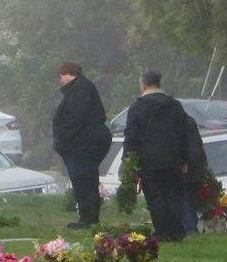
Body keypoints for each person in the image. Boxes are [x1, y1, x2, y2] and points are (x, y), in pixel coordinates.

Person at [124, 69, 194, 241]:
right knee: (174, 195)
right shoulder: (175, 106)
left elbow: (131, 137)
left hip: (149, 160)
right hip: (174, 159)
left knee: (155, 196)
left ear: (144, 84)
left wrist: (129, 160)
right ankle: (176, 230)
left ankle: (162, 231)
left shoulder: (137, 108)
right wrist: (185, 159)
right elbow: (184, 133)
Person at [51, 61, 112, 229]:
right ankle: (88, 216)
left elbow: (75, 118)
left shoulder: (80, 89)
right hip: (85, 142)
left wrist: (62, 139)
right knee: (86, 179)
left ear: (67, 73)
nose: (60, 81)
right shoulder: (82, 88)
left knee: (83, 180)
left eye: (60, 77)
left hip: (83, 144)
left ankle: (88, 218)